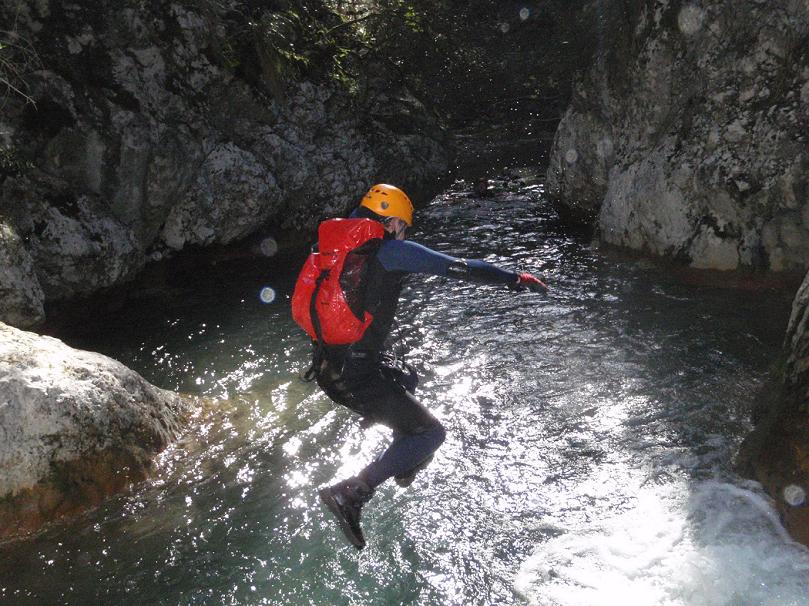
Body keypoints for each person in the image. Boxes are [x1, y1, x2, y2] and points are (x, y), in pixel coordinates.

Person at [293, 183, 547, 549]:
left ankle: (405, 456)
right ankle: (350, 493)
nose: (404, 233)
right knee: (432, 434)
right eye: (404, 227)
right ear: (393, 221)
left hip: (329, 369)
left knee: (407, 376)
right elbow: (458, 268)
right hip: (357, 378)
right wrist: (514, 279)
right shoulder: (390, 252)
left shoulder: (330, 250)